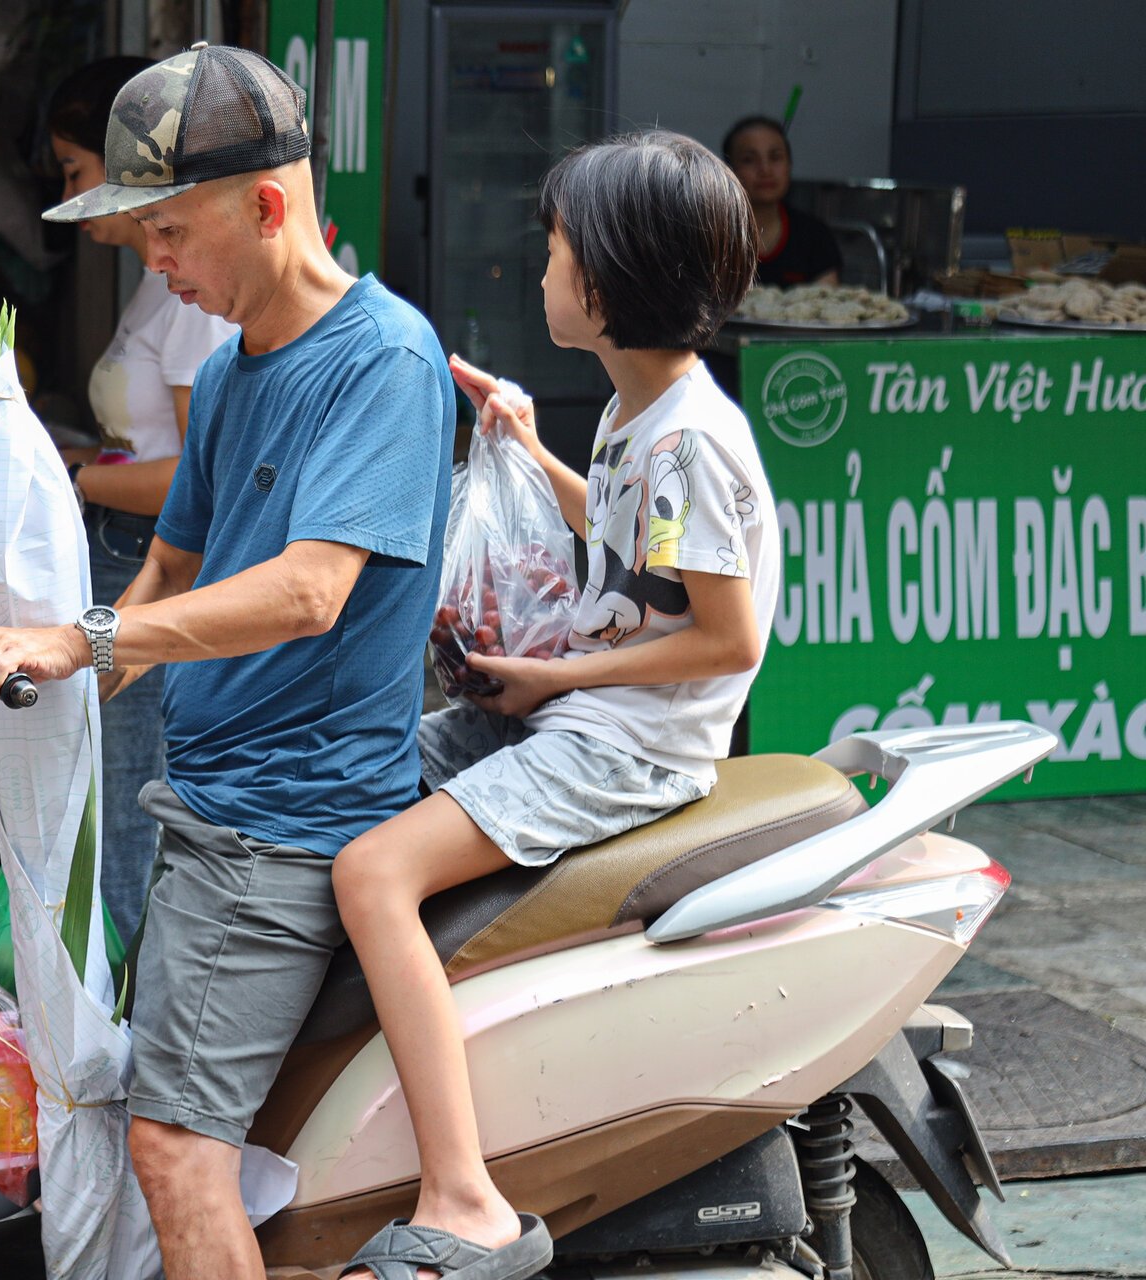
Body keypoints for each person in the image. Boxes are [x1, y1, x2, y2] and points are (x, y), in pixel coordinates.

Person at [0, 44, 457, 1280]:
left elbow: (313, 589)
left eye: (167, 232)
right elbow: (168, 572)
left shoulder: (383, 360)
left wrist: (85, 636)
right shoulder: (226, 376)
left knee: (168, 1145)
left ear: (267, 207)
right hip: (204, 801)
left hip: (284, 821)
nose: (152, 263)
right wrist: (26, 668)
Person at [330, 131, 775, 1280]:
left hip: (626, 748)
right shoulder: (641, 413)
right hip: (579, 713)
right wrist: (532, 451)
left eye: (556, 248)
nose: (540, 270)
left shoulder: (688, 439)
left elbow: (727, 637)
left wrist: (555, 680)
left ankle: (461, 1192)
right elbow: (642, 559)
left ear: (607, 282)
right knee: (355, 768)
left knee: (370, 874)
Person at [45, 55, 240, 937]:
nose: (72, 195)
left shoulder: (196, 300)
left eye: (75, 171)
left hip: (155, 556)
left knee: (130, 797)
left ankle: (130, 1009)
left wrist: (70, 476)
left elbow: (207, 468)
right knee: (109, 786)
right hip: (131, 549)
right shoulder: (158, 287)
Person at [722, 115, 841, 286]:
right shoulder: (712, 234)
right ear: (729, 170)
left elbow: (827, 301)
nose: (765, 170)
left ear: (789, 165)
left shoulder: (814, 236)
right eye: (749, 160)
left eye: (775, 157)